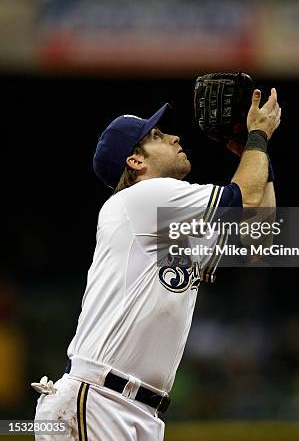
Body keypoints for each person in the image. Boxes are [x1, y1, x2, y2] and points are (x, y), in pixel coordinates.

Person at [32, 87, 281, 441]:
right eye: (158, 136)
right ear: (136, 161)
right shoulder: (141, 199)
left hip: (135, 409)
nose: (174, 137)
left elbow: (260, 236)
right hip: (98, 399)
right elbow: (243, 198)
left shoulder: (174, 227)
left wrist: (257, 154)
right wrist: (257, 136)